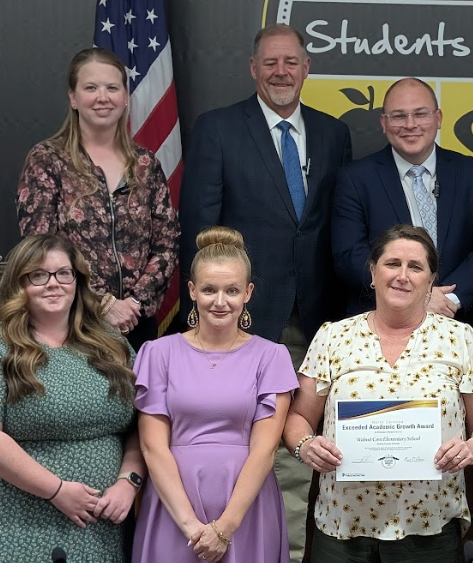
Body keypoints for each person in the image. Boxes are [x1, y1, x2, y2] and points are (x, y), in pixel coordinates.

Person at [177, 25, 352, 560]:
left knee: (300, 446)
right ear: (253, 68)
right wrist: (213, 310)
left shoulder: (332, 134)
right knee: (246, 444)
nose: (281, 71)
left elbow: (333, 226)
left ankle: (288, 552)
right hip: (242, 316)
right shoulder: (217, 129)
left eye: (292, 62)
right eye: (270, 62)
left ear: (306, 68)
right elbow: (200, 229)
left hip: (318, 318)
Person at [283, 225, 473, 562]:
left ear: (431, 280)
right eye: (392, 264)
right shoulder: (333, 337)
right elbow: (298, 417)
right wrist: (305, 445)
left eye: (415, 267)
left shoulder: (460, 339)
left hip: (429, 525)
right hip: (343, 527)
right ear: (372, 271)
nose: (402, 275)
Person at [0, 234, 143, 562]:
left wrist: (129, 481)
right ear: (18, 284)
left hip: (98, 529)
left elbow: (144, 423)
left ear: (77, 281)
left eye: (63, 273)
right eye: (38, 275)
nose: (53, 283)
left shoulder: (113, 344)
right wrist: (56, 490)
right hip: (9, 526)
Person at [132, 226, 298, 563]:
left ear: (248, 293)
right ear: (192, 290)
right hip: (173, 506)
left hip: (246, 508)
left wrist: (225, 527)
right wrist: (191, 526)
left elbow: (265, 451)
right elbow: (152, 446)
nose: (220, 302)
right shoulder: (158, 353)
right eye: (209, 289)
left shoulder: (272, 357)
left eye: (232, 290)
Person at [16, 47, 180, 351]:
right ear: (73, 98)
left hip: (136, 322)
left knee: (132, 399)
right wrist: (103, 305)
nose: (102, 97)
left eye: (112, 87)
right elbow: (38, 247)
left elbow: (167, 244)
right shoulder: (48, 160)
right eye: (91, 87)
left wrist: (133, 302)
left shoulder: (146, 165)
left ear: (126, 97)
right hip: (70, 320)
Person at [332, 77, 473, 344]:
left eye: (420, 114)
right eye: (399, 116)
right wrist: (419, 297)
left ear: (438, 118)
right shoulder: (356, 178)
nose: (410, 125)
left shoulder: (472, 173)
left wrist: (446, 300)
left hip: (457, 327)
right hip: (379, 333)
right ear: (384, 122)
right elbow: (349, 255)